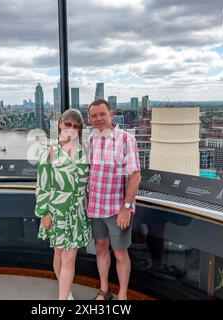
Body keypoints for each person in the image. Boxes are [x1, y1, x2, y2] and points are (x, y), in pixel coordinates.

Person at [34, 108, 91, 300]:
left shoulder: (84, 150)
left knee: (69, 257)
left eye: (76, 126)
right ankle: (65, 293)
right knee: (59, 253)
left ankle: (63, 295)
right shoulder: (49, 150)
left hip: (77, 210)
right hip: (56, 210)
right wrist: (43, 212)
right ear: (60, 124)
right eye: (68, 124)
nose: (71, 129)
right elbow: (42, 185)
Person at [87, 99, 141, 300]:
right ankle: (104, 290)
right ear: (90, 119)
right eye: (94, 116)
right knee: (101, 248)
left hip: (117, 209)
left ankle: (123, 295)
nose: (99, 119)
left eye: (102, 114)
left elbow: (135, 175)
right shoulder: (91, 140)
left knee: (120, 253)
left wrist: (126, 207)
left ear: (111, 115)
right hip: (95, 207)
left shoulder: (126, 140)